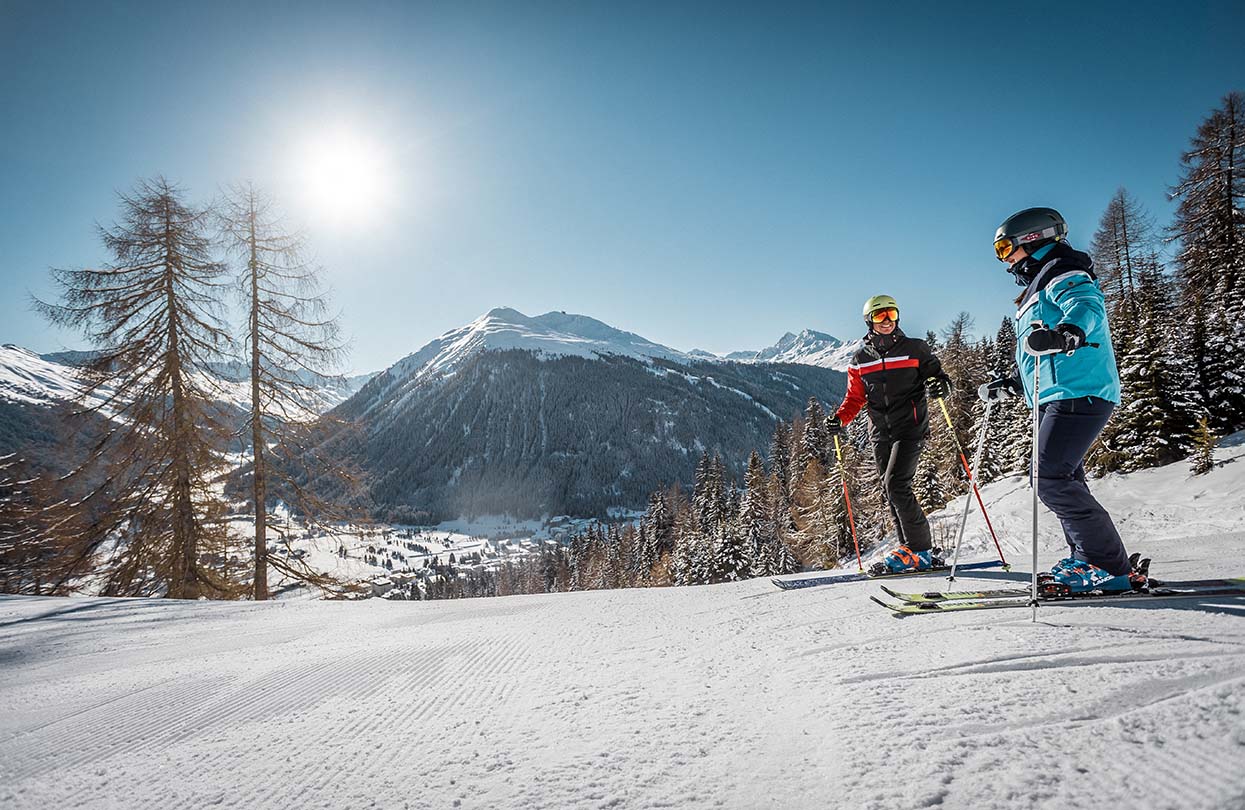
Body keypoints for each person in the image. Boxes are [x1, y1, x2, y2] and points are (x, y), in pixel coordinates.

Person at [981, 206, 1135, 593]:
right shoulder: (1037, 286)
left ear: (1032, 240)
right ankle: (1088, 558)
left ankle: (1107, 564)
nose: (1005, 260)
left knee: (1049, 478)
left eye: (1005, 249)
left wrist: (1068, 332)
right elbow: (1039, 350)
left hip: (1079, 390)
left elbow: (1087, 307)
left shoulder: (1063, 270)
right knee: (1065, 477)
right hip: (1056, 393)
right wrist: (1014, 383)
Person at [828, 295, 953, 574]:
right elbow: (854, 399)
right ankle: (909, 548)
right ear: (869, 321)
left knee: (897, 484)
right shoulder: (860, 359)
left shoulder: (915, 349)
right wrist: (840, 419)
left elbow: (941, 379)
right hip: (880, 432)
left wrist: (940, 387)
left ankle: (920, 549)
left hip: (910, 427)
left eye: (892, 314)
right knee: (889, 488)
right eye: (880, 316)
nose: (887, 321)